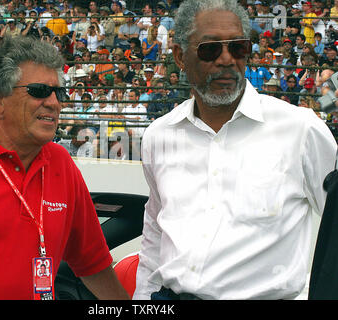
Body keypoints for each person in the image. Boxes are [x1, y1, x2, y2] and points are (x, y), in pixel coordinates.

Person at [133, 0, 337, 300]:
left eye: (238, 47)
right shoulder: (159, 135)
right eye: (210, 49)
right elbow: (154, 237)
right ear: (180, 56)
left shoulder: (301, 129)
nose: (226, 60)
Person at [0, 36, 129, 300]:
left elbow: (93, 262)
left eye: (59, 92)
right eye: (40, 91)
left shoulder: (61, 164)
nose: (55, 103)